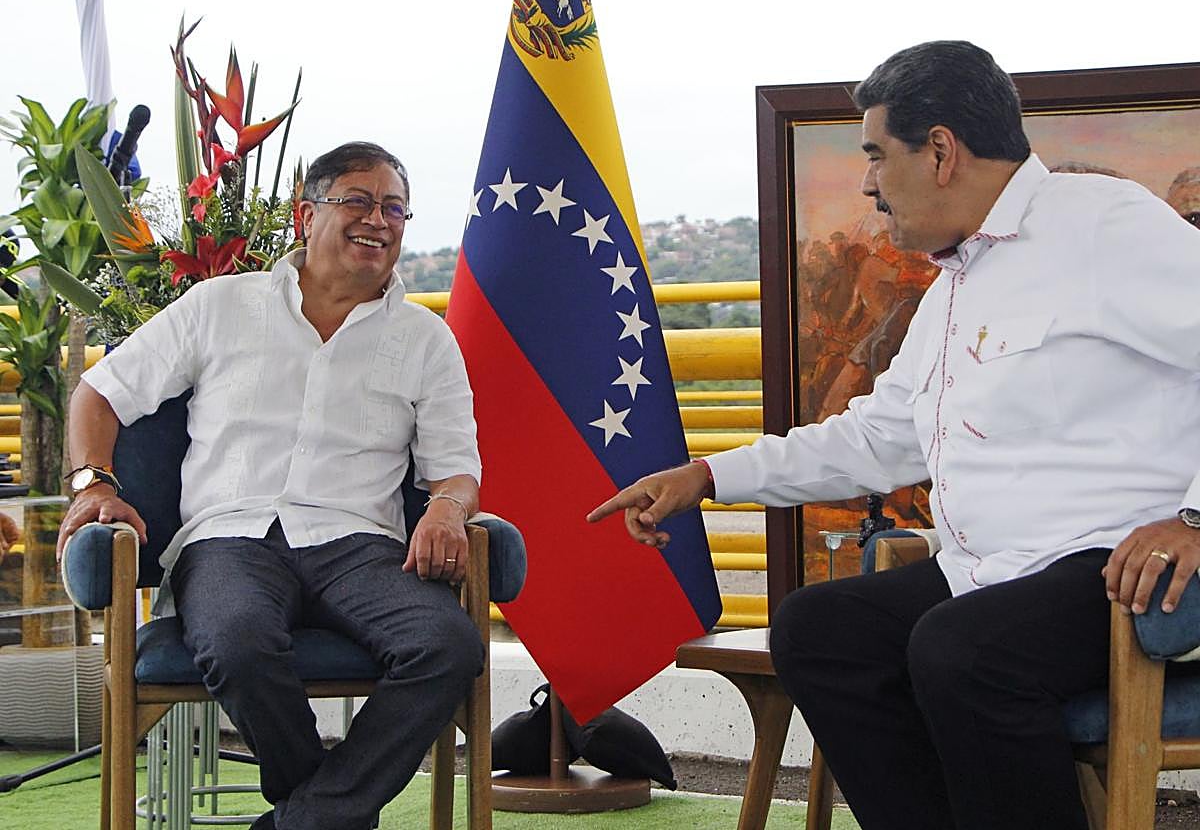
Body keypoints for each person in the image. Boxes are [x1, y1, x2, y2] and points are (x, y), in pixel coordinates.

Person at [588, 41, 1200, 830]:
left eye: (877, 154)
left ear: (940, 150)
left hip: (1116, 566)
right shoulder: (955, 285)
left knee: (962, 651)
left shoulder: (1103, 226)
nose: (869, 182)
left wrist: (1193, 519)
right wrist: (708, 476)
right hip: (992, 574)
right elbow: (879, 436)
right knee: (818, 629)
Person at [56, 142, 485, 830]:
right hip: (229, 539)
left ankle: (301, 821)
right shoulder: (219, 305)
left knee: (450, 645)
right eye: (359, 201)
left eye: (395, 208)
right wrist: (91, 483)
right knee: (236, 641)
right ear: (304, 215)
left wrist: (445, 508)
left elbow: (456, 469)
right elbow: (98, 393)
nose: (380, 220)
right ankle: (326, 815)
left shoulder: (426, 340)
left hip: (360, 547)